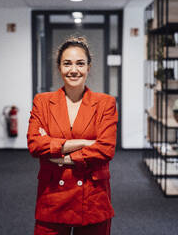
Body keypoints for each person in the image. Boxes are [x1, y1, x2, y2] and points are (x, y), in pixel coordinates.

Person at [27, 36, 118, 235]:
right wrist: (85, 143)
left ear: (88, 67)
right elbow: (35, 145)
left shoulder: (105, 103)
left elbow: (105, 149)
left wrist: (60, 155)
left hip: (93, 197)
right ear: (59, 67)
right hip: (52, 196)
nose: (74, 69)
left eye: (80, 63)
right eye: (67, 63)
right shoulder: (42, 102)